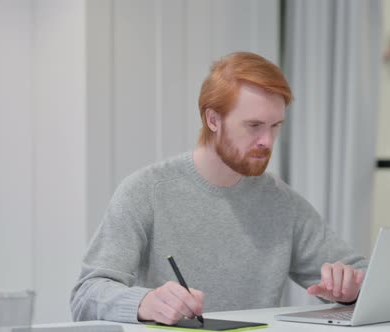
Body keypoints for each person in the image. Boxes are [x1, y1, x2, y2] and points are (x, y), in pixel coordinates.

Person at [70, 52, 367, 325]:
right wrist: (144, 302)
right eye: (253, 126)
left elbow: (366, 276)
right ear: (213, 119)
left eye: (275, 126)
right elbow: (86, 295)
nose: (267, 141)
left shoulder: (281, 202)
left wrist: (351, 287)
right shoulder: (147, 191)